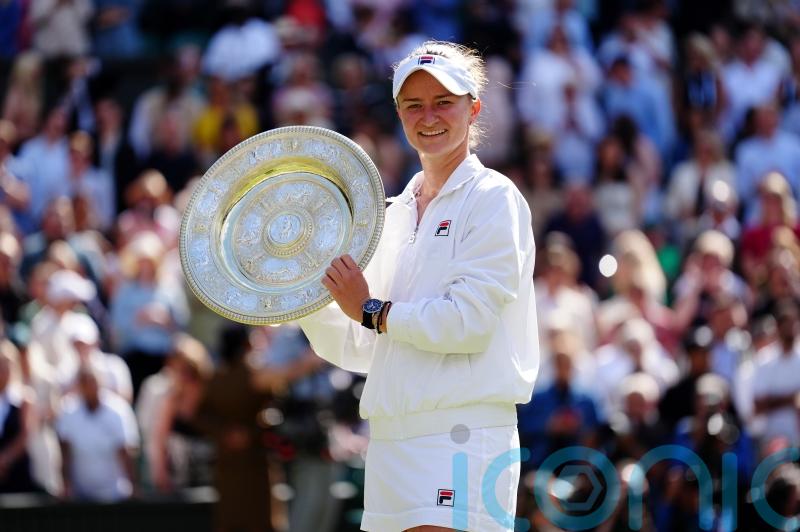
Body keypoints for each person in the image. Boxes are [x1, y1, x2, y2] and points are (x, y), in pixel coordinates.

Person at [297, 41, 539, 532]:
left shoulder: (494, 198)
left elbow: (466, 324)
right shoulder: (391, 213)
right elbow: (364, 347)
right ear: (398, 113)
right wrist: (304, 294)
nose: (428, 116)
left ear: (474, 108)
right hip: (389, 441)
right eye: (413, 105)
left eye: (443, 102)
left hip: (463, 436)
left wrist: (369, 309)